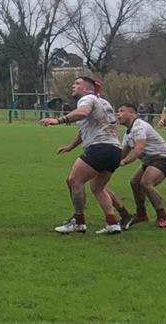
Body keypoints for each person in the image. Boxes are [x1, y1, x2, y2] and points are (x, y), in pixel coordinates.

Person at [43, 75, 124, 236]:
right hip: (115, 150)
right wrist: (70, 147)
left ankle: (78, 222)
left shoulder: (87, 99)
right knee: (97, 187)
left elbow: (83, 112)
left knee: (74, 180)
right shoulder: (104, 103)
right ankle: (112, 223)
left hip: (99, 147)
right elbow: (88, 129)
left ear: (87, 89)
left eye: (77, 83)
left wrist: (58, 120)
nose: (73, 86)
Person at [114, 102, 166, 229]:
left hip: (164, 159)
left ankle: (163, 217)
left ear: (132, 113)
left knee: (146, 183)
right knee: (134, 182)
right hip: (150, 161)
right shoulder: (128, 132)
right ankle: (141, 214)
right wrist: (107, 165)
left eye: (121, 111)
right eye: (118, 111)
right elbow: (123, 152)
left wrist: (125, 162)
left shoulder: (139, 126)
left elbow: (139, 149)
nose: (118, 114)